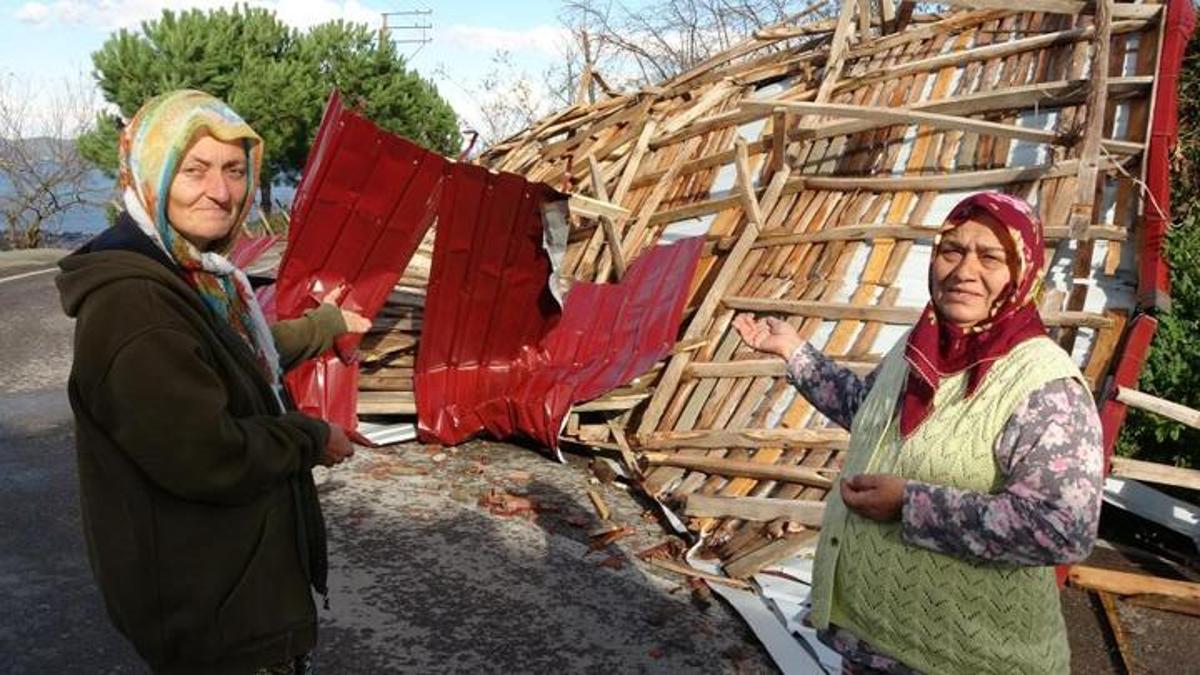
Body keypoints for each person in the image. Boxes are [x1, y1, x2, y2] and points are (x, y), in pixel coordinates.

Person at [56, 90, 370, 674]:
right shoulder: (136, 304)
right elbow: (208, 456)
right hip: (211, 607)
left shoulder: (193, 274)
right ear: (154, 172)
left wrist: (324, 327)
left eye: (233, 170)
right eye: (194, 170)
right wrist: (309, 437)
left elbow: (230, 354)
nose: (221, 192)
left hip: (232, 585)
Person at [733, 192, 1104, 675]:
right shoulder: (921, 345)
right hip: (875, 640)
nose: (964, 270)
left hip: (966, 660)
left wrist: (910, 504)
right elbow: (870, 414)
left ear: (1023, 272)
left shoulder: (1043, 385)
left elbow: (1061, 528)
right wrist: (795, 352)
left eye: (991, 256)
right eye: (952, 250)